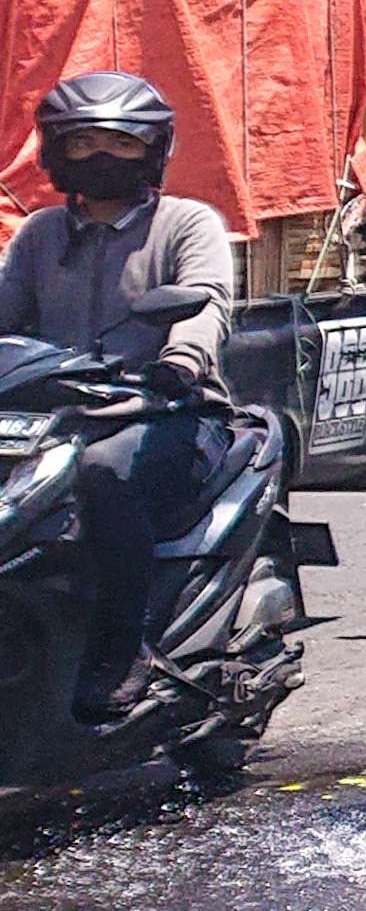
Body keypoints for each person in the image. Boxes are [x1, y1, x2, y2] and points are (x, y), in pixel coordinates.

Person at [0, 73, 236, 722]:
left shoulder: (186, 224)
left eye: (120, 142)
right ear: (56, 152)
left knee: (104, 472)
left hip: (171, 412)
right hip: (60, 417)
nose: (100, 155)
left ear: (152, 150)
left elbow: (206, 303)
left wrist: (181, 360)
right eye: (83, 143)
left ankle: (122, 643)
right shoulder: (42, 235)